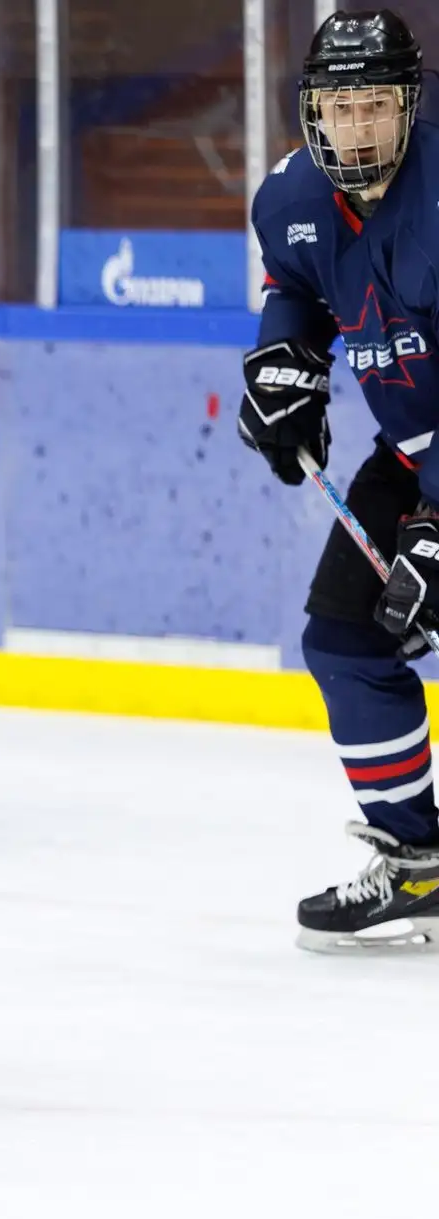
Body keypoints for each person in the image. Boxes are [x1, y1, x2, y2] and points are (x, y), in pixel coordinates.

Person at [238, 9, 439, 951]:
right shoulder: (290, 197)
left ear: (410, 104)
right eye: (339, 106)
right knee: (346, 637)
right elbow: (297, 288)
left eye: (376, 106)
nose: (356, 127)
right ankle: (419, 863)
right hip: (411, 452)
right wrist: (287, 364)